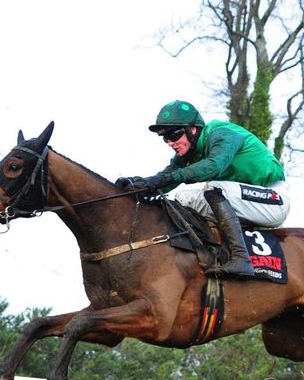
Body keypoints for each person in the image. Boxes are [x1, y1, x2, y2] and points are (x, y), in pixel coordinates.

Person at [115, 100, 290, 277]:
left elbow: (215, 166)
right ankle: (211, 253)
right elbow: (165, 179)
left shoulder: (221, 133)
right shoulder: (190, 151)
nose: (170, 142)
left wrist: (163, 179)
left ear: (193, 129)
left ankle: (242, 259)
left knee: (213, 188)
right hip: (246, 202)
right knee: (183, 198)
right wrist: (138, 184)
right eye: (165, 138)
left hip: (273, 199)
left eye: (174, 135)